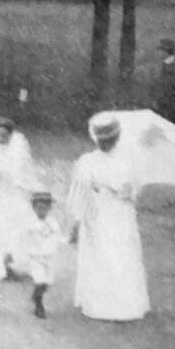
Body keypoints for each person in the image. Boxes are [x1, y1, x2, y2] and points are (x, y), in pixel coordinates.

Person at [67, 113, 150, 322]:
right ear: (95, 139)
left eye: (109, 140)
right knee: (99, 255)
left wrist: (124, 190)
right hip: (95, 213)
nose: (105, 143)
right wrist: (77, 221)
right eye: (101, 140)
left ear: (118, 137)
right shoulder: (87, 161)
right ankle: (98, 303)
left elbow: (135, 189)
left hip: (120, 213)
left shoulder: (128, 159)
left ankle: (124, 305)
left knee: (121, 254)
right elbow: (80, 193)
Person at [0, 116, 36, 274]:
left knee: (14, 228)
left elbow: (21, 174)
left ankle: (11, 262)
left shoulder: (19, 150)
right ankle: (0, 262)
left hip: (14, 194)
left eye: (3, 135)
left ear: (10, 134)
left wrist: (3, 171)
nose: (0, 138)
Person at [25, 190, 62, 318]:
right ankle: (39, 306)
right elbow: (24, 238)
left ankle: (36, 295)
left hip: (49, 256)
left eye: (45, 209)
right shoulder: (30, 222)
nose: (42, 212)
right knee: (39, 280)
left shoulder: (52, 222)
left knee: (48, 282)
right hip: (35, 256)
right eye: (39, 209)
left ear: (49, 208)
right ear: (34, 208)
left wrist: (52, 248)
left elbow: (56, 236)